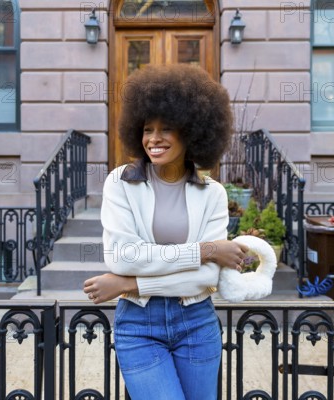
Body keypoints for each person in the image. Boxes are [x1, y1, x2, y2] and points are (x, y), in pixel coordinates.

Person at [83, 63, 248, 400]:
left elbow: (205, 278)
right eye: (146, 129)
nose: (153, 139)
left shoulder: (213, 193)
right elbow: (122, 257)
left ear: (191, 131)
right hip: (139, 326)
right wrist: (205, 250)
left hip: (197, 323)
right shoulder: (120, 183)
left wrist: (130, 283)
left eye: (166, 129)